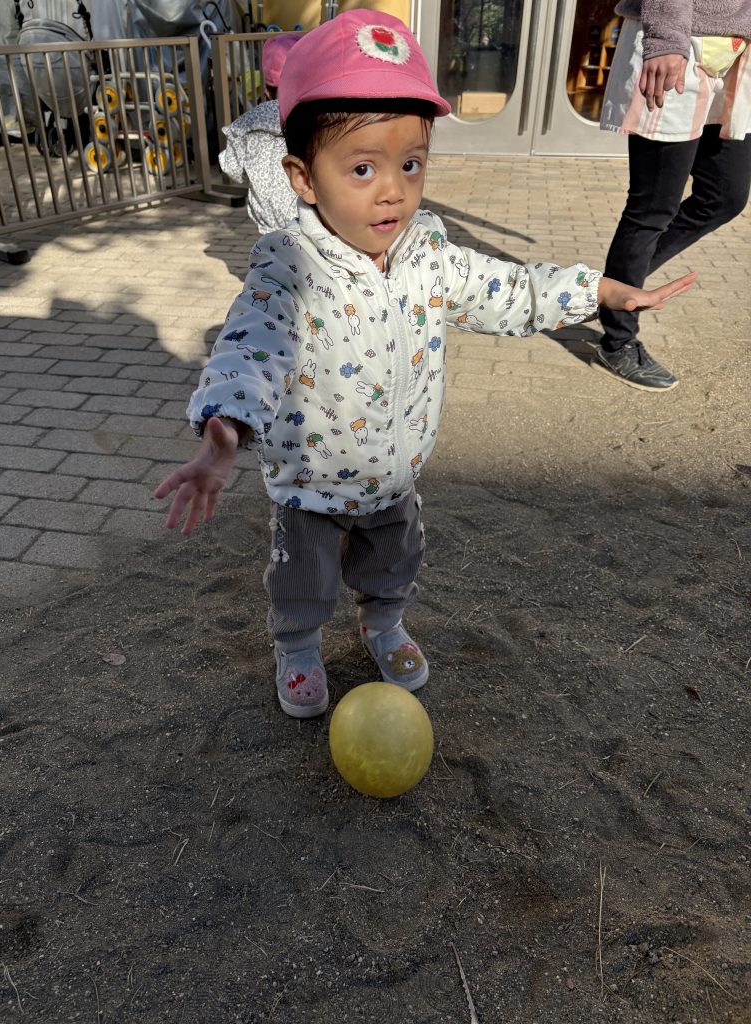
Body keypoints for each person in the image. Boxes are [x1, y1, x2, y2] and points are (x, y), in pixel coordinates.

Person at [154, 10, 695, 719]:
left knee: (394, 563)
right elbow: (251, 348)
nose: (392, 190)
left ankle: (383, 625)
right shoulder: (288, 268)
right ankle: (298, 645)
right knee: (303, 578)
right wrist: (224, 430)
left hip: (395, 469)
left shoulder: (427, 251)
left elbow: (506, 288)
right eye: (362, 168)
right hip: (311, 481)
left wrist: (595, 291)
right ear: (303, 178)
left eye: (410, 164)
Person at [597, 0, 751, 391]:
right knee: (651, 209)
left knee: (725, 197)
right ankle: (617, 341)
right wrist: (666, 39)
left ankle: (607, 289)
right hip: (679, 42)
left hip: (737, 51)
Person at [218, 32, 300, 234]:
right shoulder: (317, 121)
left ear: (266, 91)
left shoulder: (249, 122)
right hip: (310, 220)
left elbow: (231, 167)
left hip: (268, 226)